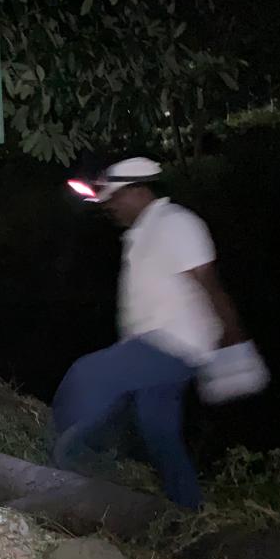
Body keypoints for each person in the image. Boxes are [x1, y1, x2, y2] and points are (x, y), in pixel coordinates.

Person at [53, 157, 249, 509]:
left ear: (140, 191)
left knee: (86, 375)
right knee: (159, 433)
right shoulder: (141, 233)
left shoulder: (177, 224)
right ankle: (188, 511)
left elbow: (209, 283)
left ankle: (68, 458)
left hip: (174, 343)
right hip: (151, 346)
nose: (111, 207)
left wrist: (234, 341)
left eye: (116, 198)